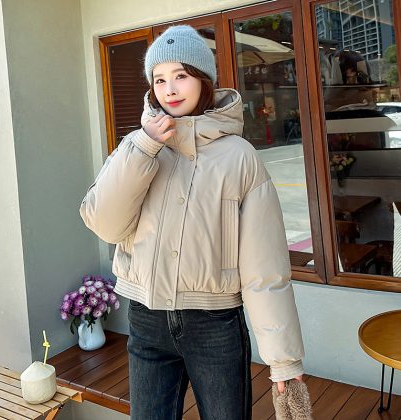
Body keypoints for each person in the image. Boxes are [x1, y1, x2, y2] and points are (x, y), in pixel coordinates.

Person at [80, 25, 305, 420]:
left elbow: (264, 267)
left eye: (181, 75)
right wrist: (144, 147)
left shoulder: (239, 157)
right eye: (159, 79)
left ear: (203, 79)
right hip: (146, 320)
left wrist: (283, 360)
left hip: (214, 325)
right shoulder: (137, 147)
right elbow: (106, 225)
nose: (170, 89)